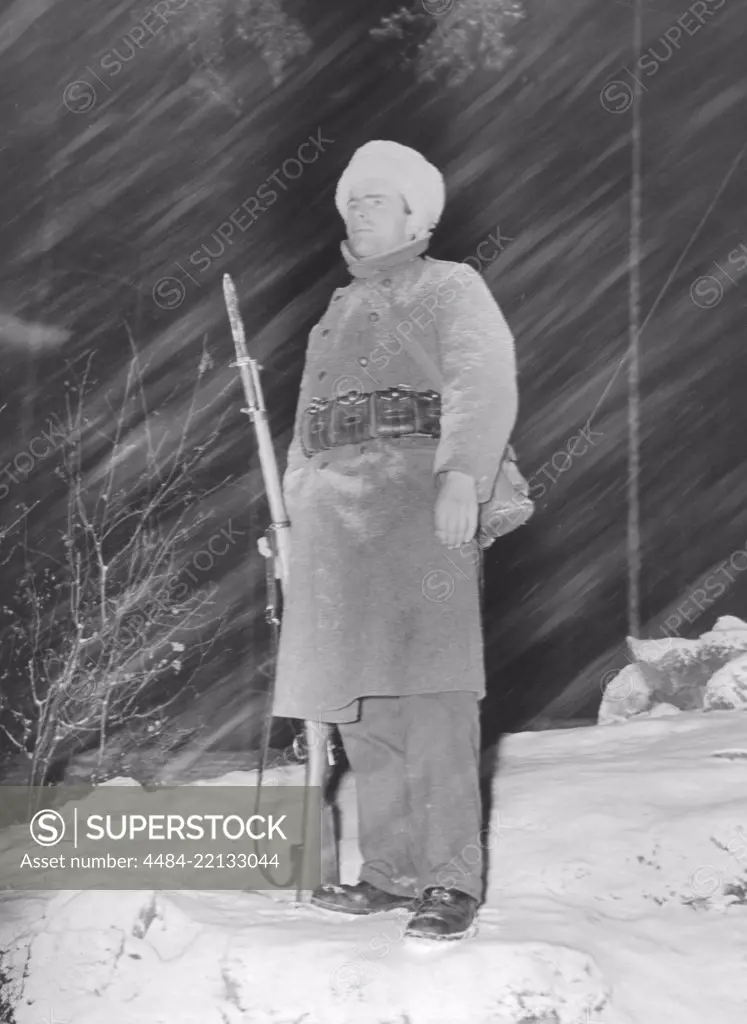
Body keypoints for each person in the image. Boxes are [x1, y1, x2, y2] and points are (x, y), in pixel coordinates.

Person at [272, 140, 518, 941]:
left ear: (419, 213)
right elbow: (309, 425)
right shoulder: (333, 312)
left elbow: (483, 378)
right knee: (361, 703)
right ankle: (388, 872)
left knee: (435, 694)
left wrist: (462, 476)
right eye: (351, 200)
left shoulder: (452, 285)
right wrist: (290, 513)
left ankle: (448, 881)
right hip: (336, 522)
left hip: (419, 503)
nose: (358, 210)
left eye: (377, 199)